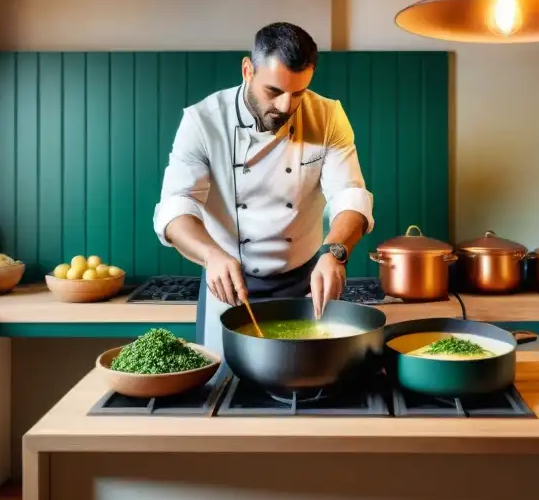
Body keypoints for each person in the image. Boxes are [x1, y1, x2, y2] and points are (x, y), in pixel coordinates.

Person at [153, 23, 374, 354]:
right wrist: (210, 255)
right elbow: (177, 207)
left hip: (306, 285)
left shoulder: (328, 116)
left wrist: (335, 252)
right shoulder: (203, 121)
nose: (286, 107)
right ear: (247, 70)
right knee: (224, 388)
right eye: (274, 91)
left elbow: (349, 196)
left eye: (297, 93)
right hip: (227, 285)